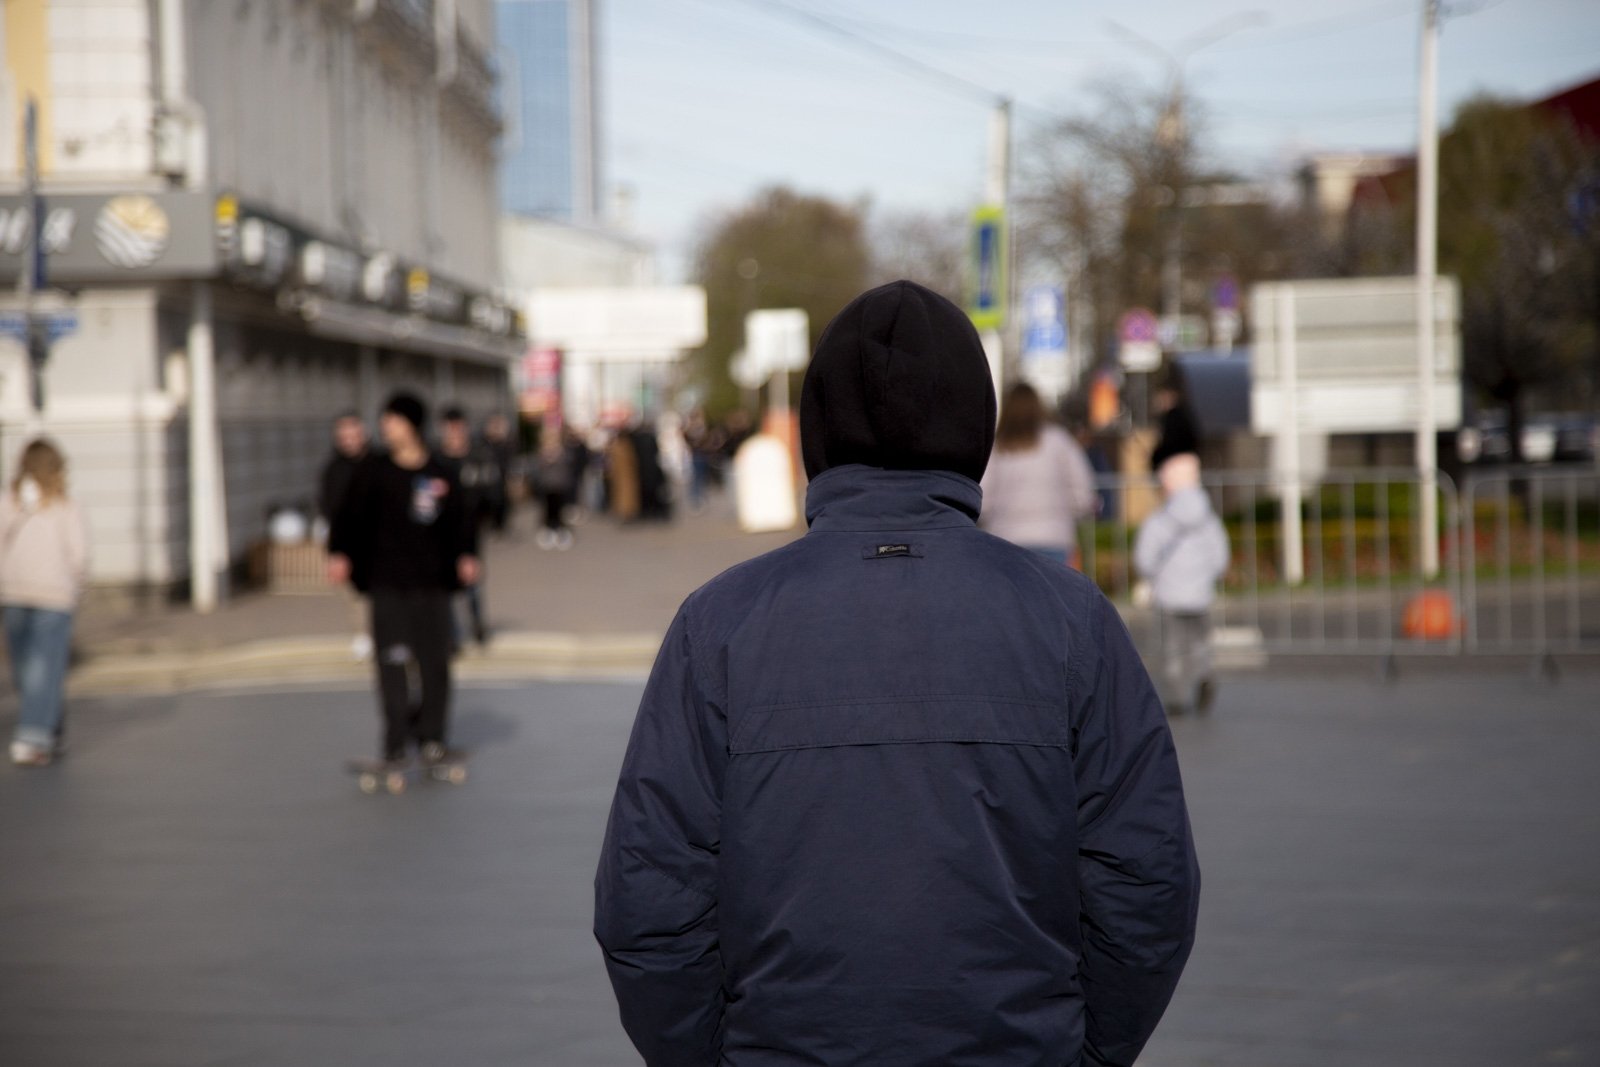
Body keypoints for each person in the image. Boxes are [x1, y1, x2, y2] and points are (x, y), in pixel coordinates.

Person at [594, 281, 1200, 1067]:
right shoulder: (1072, 622)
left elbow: (649, 896)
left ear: (817, 426)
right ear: (970, 424)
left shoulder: (720, 623)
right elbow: (1144, 878)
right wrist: (1084, 1050)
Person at [328, 392, 479, 768]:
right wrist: (340, 553)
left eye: (393, 420)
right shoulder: (374, 470)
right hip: (387, 583)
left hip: (432, 583)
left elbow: (463, 518)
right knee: (392, 664)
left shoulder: (440, 472)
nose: (386, 427)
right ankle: (396, 741)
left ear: (412, 425)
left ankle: (432, 738)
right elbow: (348, 515)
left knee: (434, 665)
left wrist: (467, 555)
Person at [1, 440, 90, 767]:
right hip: (36, 595)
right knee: (38, 669)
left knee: (32, 669)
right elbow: (78, 556)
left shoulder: (21, 504)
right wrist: (78, 587)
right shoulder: (54, 505)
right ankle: (43, 730)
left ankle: (37, 733)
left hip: (32, 596)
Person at [1134, 452, 1230, 716]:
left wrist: (1153, 576)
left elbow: (1145, 558)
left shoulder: (1159, 520)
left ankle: (1176, 697)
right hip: (1200, 595)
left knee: (1172, 647)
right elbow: (1220, 556)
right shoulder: (1209, 520)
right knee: (1199, 642)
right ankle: (1204, 675)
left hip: (1169, 596)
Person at [980, 381, 1099, 567]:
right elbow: (1082, 488)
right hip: (1054, 536)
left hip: (1005, 538)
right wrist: (1075, 512)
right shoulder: (1058, 440)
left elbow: (983, 497)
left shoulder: (997, 447)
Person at [437, 406, 495, 645]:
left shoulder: (477, 457)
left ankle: (476, 622)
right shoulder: (436, 459)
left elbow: (491, 493)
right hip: (441, 530)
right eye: (450, 428)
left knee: (471, 578)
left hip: (470, 527)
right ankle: (451, 632)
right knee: (445, 582)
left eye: (459, 428)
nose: (455, 433)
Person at [317, 411, 372, 659]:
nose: (349, 440)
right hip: (349, 541)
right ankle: (363, 634)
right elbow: (329, 509)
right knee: (356, 594)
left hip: (379, 540)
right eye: (344, 436)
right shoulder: (333, 469)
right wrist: (334, 551)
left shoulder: (378, 464)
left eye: (354, 435)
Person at [530, 423, 575, 550]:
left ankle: (561, 532)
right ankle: (548, 531)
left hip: (560, 486)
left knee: (560, 511)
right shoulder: (541, 452)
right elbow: (538, 468)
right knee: (548, 511)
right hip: (547, 486)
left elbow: (568, 466)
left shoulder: (563, 451)